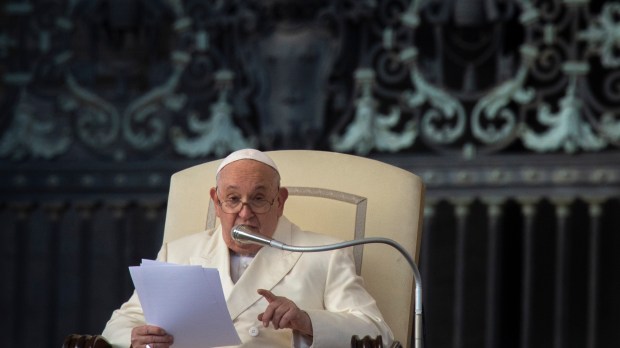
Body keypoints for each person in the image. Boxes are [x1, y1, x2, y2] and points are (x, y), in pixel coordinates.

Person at [101, 148, 393, 347]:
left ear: (279, 201)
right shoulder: (177, 253)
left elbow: (377, 331)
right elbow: (119, 324)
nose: (244, 213)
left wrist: (306, 321)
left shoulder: (325, 253)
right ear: (216, 202)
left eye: (258, 199)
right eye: (232, 199)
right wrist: (134, 338)